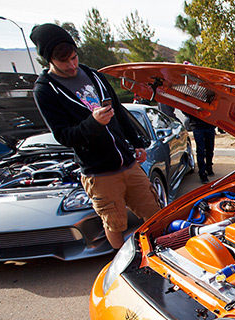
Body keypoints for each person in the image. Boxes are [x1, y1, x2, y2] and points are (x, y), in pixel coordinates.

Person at [30, 23, 160, 250]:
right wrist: (94, 123)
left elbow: (119, 111)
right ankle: (123, 266)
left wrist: (137, 143)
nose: (72, 65)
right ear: (48, 60)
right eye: (64, 61)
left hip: (129, 164)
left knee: (155, 213)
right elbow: (64, 136)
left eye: (74, 57)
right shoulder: (45, 90)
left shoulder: (92, 74)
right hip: (100, 174)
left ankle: (165, 256)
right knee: (115, 224)